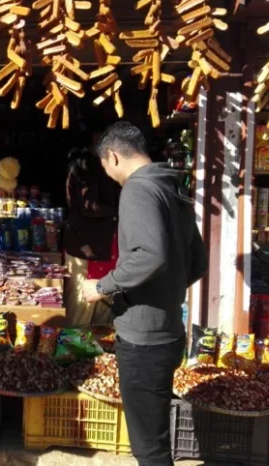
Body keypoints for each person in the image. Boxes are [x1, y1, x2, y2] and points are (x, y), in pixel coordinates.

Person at [84, 122, 207, 466]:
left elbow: (150, 255)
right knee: (155, 436)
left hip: (143, 340)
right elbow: (197, 262)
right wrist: (167, 291)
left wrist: (101, 286)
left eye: (105, 166)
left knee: (149, 449)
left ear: (112, 156)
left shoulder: (137, 190)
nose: (107, 174)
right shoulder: (171, 186)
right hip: (168, 332)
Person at [63, 145, 118, 327]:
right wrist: (119, 210)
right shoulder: (85, 165)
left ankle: (99, 351)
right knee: (82, 306)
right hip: (87, 247)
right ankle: (74, 353)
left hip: (104, 244)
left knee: (102, 307)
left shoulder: (102, 166)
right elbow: (88, 206)